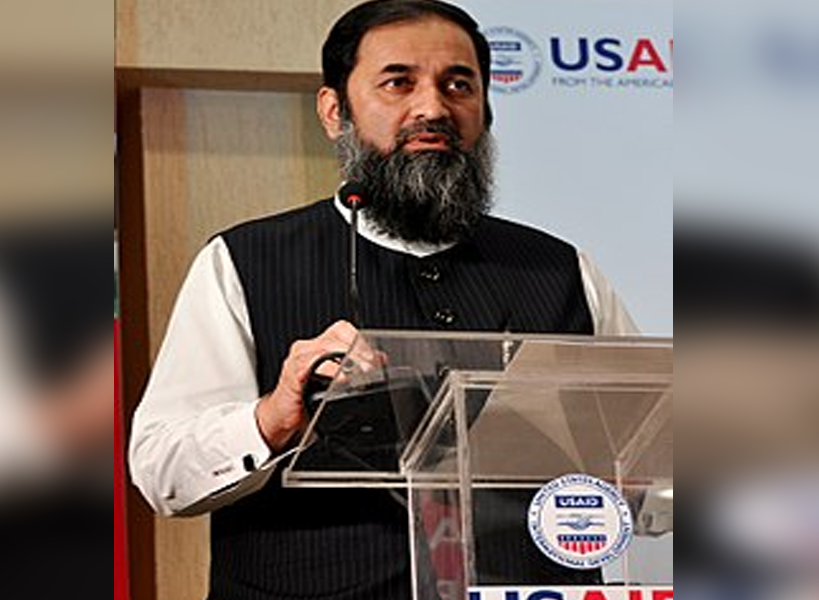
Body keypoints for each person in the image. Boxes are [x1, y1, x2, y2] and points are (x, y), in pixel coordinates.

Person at [129, 1, 638, 598]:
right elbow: (161, 473)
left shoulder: (561, 270)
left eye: (458, 85)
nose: (433, 108)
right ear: (334, 112)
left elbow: (654, 455)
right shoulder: (243, 261)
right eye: (399, 83)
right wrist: (272, 419)